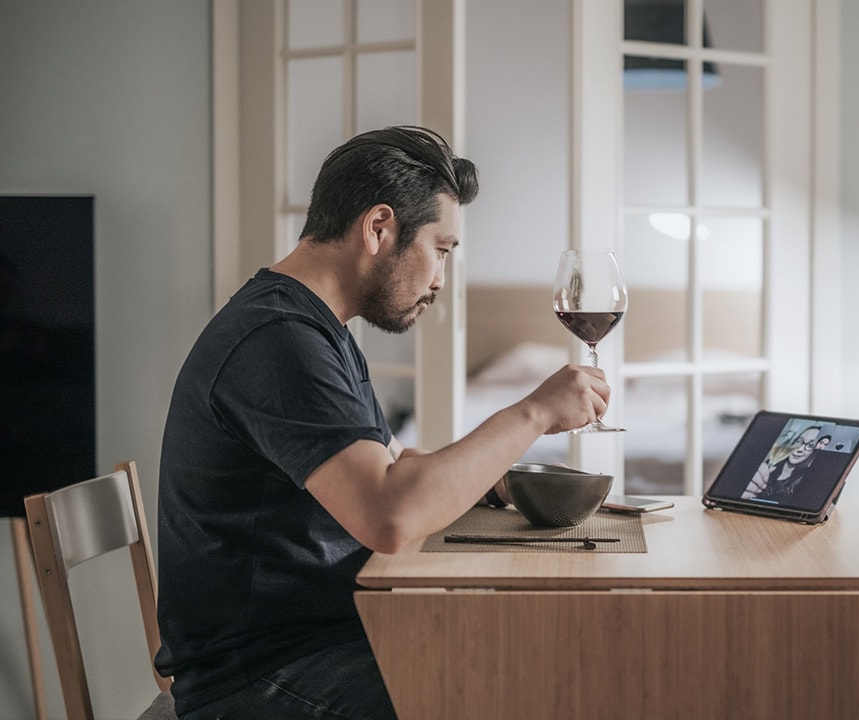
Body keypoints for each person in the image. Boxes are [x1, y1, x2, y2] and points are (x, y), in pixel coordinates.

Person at [154, 126, 611, 720]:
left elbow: (399, 467)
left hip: (322, 645)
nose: (441, 279)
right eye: (441, 249)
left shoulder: (315, 330)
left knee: (532, 662)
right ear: (378, 228)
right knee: (519, 691)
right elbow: (391, 516)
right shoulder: (279, 339)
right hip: (262, 680)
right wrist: (534, 411)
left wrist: (501, 478)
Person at [742, 427, 830, 501]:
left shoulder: (805, 484)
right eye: (799, 441)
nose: (800, 449)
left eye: (810, 445)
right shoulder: (767, 465)